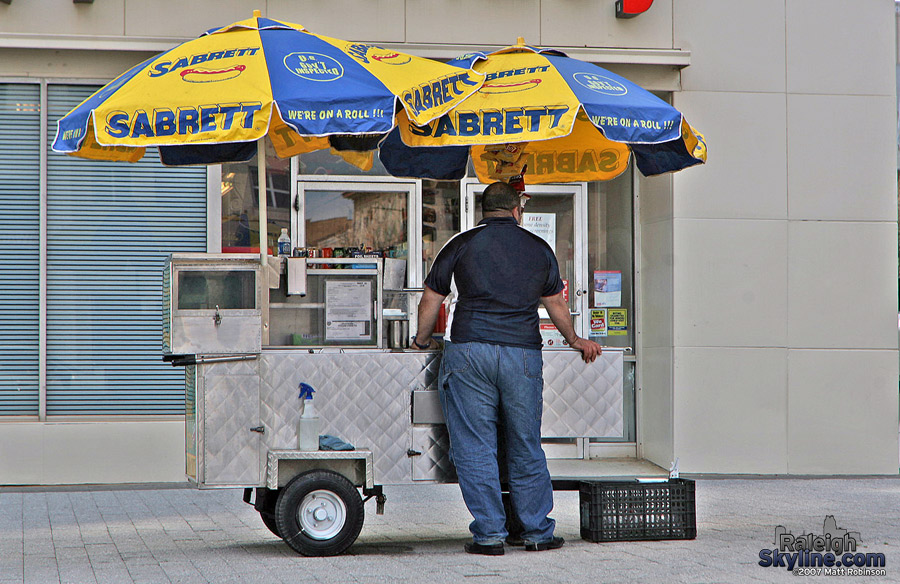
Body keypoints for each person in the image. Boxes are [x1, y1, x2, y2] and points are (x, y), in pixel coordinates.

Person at [412, 181, 602, 556]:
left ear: (484, 210)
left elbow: (431, 298)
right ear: (518, 211)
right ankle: (536, 532)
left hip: (469, 351)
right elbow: (556, 305)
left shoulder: (460, 243)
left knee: (475, 445)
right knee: (525, 442)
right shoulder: (538, 248)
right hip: (521, 354)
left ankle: (489, 535)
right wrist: (575, 340)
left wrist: (420, 341)